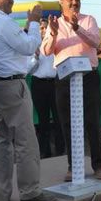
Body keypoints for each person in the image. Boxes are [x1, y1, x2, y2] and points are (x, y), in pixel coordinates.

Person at [0, 0, 55, 201]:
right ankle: (30, 192)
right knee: (25, 140)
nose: (11, 0)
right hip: (11, 85)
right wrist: (33, 22)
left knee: (1, 139)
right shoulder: (2, 22)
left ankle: (3, 194)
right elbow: (30, 46)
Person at [42, 0, 101, 181]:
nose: (74, 2)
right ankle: (73, 166)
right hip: (65, 79)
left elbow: (96, 43)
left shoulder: (89, 20)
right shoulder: (54, 24)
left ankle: (98, 165)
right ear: (61, 2)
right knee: (67, 123)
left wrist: (77, 28)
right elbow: (46, 51)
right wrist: (52, 33)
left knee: (92, 121)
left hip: (88, 77)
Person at [30, 19, 64, 158]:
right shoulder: (32, 46)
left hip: (55, 83)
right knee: (43, 120)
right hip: (39, 84)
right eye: (41, 28)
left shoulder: (56, 43)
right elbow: (29, 69)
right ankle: (44, 151)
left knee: (58, 118)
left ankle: (61, 149)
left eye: (45, 28)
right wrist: (35, 57)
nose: (43, 30)